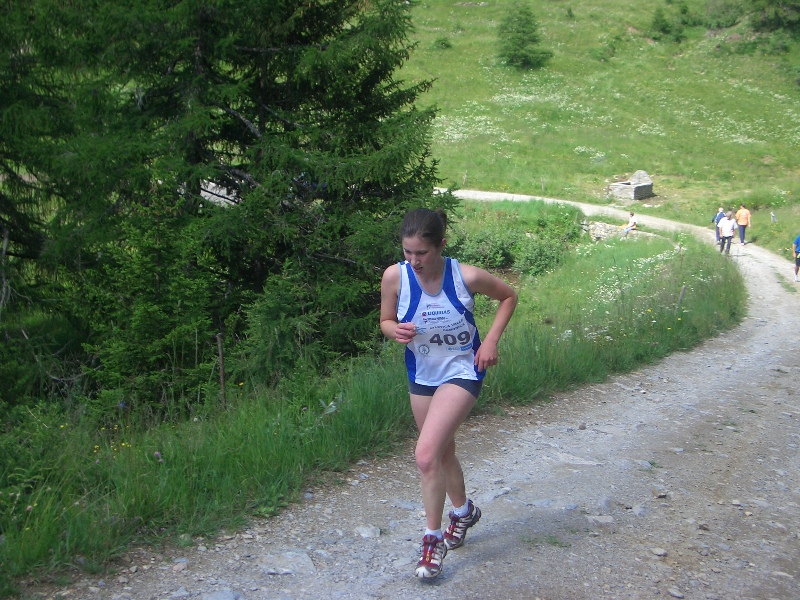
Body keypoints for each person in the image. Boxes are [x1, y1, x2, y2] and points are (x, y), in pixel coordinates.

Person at [379, 208, 517, 579]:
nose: (414, 261)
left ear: (441, 245)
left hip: (463, 370)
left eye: (422, 253)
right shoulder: (394, 276)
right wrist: (394, 331)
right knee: (442, 452)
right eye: (408, 252)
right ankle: (464, 512)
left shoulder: (465, 276)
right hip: (423, 374)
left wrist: (490, 341)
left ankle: (432, 540)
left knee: (425, 455)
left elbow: (508, 296)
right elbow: (385, 320)